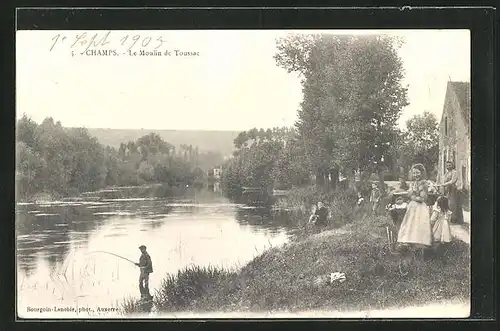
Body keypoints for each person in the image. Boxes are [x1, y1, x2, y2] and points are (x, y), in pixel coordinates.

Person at [396, 164, 432, 257]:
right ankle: (408, 243)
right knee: (410, 224)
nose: (416, 175)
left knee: (418, 224)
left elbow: (422, 198)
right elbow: (409, 194)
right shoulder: (413, 183)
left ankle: (419, 245)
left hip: (420, 208)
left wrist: (412, 196)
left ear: (422, 173)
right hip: (413, 206)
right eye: (414, 172)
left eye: (418, 173)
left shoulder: (424, 183)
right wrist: (412, 194)